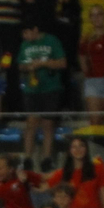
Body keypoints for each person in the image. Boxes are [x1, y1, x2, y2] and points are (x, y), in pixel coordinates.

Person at [17, 18, 65, 171]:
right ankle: (27, 158)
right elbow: (20, 65)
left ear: (35, 29)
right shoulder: (25, 45)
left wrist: (43, 64)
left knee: (48, 124)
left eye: (26, 32)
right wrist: (29, 67)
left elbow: (62, 63)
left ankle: (46, 159)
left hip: (50, 88)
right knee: (31, 123)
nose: (24, 36)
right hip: (31, 89)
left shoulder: (52, 41)